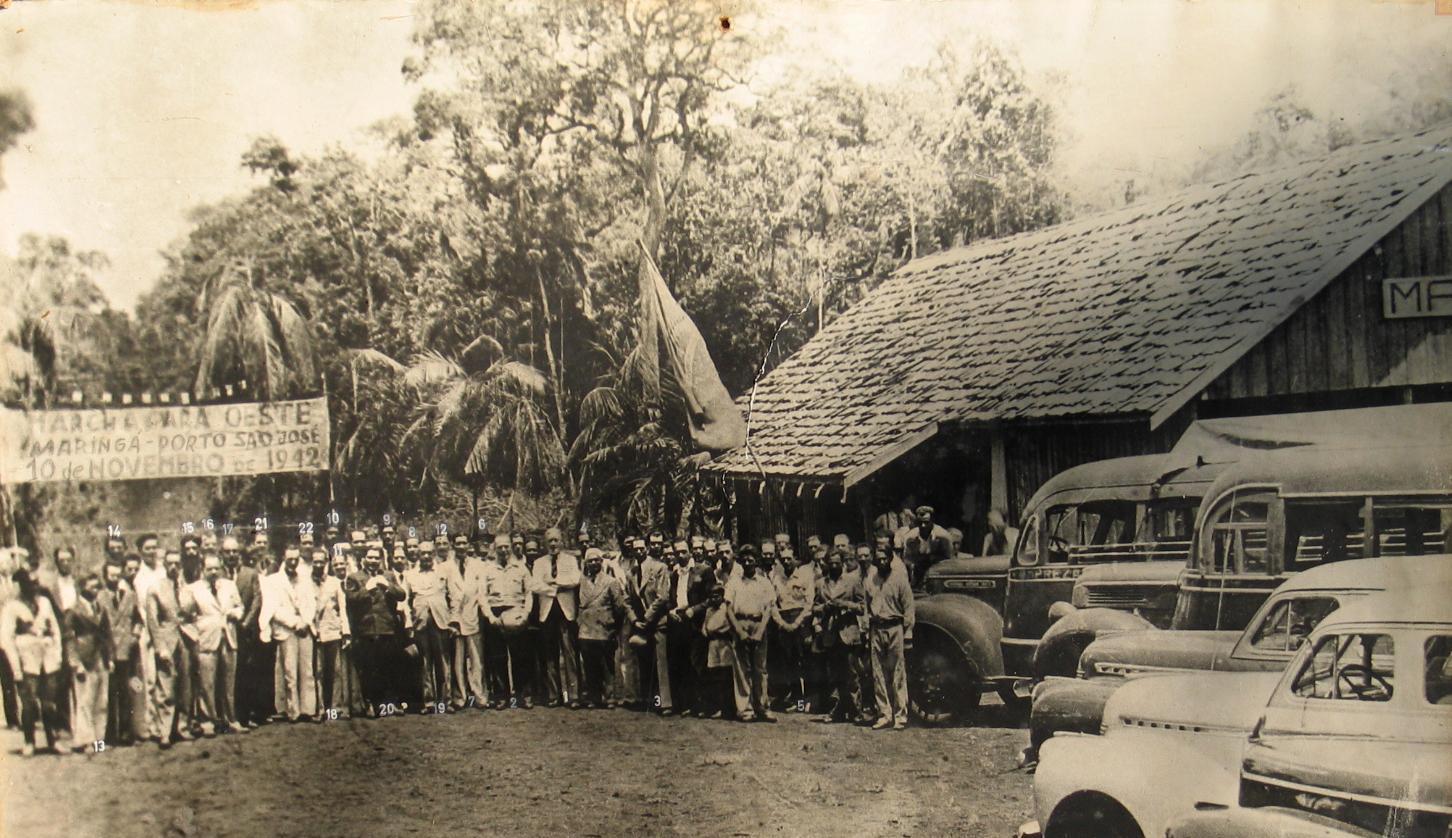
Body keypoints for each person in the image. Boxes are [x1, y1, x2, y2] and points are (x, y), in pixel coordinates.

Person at [0, 570, 64, 755]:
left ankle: (53, 740)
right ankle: (30, 742)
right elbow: (5, 639)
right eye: (29, 583)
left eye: (35, 583)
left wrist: (57, 654)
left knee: (49, 702)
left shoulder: (44, 602)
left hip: (48, 657)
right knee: (29, 703)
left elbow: (55, 629)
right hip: (27, 659)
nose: (34, 587)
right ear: (21, 584)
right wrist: (16, 667)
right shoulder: (12, 607)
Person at [182, 554, 243, 734]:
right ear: (202, 569)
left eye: (216, 568)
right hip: (206, 639)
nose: (214, 572)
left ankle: (231, 719)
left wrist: (235, 613)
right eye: (210, 569)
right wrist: (196, 636)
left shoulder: (229, 585)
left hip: (229, 638)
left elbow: (240, 606)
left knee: (229, 683)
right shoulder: (192, 589)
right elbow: (184, 619)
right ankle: (208, 722)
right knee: (206, 684)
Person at [261, 548, 317, 722]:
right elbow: (274, 609)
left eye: (296, 559)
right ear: (283, 559)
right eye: (289, 559)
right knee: (289, 671)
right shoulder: (272, 581)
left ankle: (308, 709)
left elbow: (311, 604)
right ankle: (293, 711)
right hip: (286, 630)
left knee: (307, 670)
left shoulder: (305, 579)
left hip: (305, 628)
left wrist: (305, 622)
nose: (293, 563)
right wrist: (294, 623)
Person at [348, 547, 406, 714]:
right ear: (364, 558)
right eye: (370, 557)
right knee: (369, 669)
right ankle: (370, 704)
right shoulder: (355, 577)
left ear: (381, 559)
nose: (373, 561)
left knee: (388, 668)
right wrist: (368, 588)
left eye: (376, 558)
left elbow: (402, 595)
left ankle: (390, 704)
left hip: (387, 629)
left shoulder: (388, 575)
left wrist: (386, 585)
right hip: (366, 630)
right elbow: (351, 600)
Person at [864, 544, 915, 730]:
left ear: (890, 559)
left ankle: (900, 716)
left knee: (898, 673)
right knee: (878, 673)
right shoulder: (871, 579)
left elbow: (909, 608)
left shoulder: (900, 579)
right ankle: (884, 714)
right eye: (878, 559)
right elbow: (866, 604)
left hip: (895, 627)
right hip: (876, 628)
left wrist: (908, 633)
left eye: (885, 558)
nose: (882, 562)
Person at [482, 534, 533, 709]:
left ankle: (523, 695)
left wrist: (525, 614)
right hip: (496, 614)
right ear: (494, 549)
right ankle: (501, 696)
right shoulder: (488, 569)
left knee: (521, 657)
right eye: (500, 547)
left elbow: (529, 593)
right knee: (498, 658)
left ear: (510, 547)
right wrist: (490, 617)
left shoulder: (521, 568)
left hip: (516, 612)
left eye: (506, 547)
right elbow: (482, 595)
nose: (503, 550)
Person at [816, 548, 866, 723]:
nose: (834, 566)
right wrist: (824, 608)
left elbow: (862, 607)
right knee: (835, 674)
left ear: (843, 563)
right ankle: (837, 710)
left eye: (838, 563)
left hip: (848, 632)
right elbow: (814, 607)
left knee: (852, 673)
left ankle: (856, 711)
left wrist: (844, 604)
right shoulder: (821, 583)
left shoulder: (853, 581)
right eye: (831, 563)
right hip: (830, 633)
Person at [532, 528, 582, 708]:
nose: (553, 544)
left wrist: (556, 581)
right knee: (550, 656)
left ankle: (574, 696)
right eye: (550, 541)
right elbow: (535, 585)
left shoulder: (570, 560)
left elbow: (575, 579)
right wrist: (554, 589)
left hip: (566, 613)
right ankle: (554, 696)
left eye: (556, 540)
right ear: (545, 544)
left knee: (569, 654)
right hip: (547, 614)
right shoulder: (539, 563)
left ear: (562, 541)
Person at [726, 547, 775, 723]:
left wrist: (761, 630)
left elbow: (769, 608)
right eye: (744, 560)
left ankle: (762, 707)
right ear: (740, 561)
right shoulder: (734, 582)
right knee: (741, 669)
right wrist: (739, 631)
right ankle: (745, 709)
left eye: (751, 560)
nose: (747, 563)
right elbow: (729, 608)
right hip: (740, 623)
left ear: (756, 561)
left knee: (760, 668)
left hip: (758, 624)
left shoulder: (764, 582)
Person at [144, 550, 188, 746]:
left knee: (186, 686)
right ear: (164, 565)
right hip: (166, 640)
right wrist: (160, 646)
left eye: (177, 564)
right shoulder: (155, 588)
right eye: (170, 563)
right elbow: (152, 621)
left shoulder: (186, 586)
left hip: (186, 640)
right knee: (165, 688)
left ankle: (182, 727)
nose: (174, 567)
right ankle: (164, 732)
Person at [98, 559, 143, 746]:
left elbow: (139, 620)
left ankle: (126, 733)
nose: (115, 579)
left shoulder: (130, 595)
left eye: (118, 576)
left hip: (127, 651)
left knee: (127, 693)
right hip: (107, 653)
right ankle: (109, 735)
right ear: (105, 577)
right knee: (109, 695)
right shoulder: (99, 597)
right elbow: (98, 627)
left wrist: (134, 636)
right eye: (111, 576)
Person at [66, 573, 111, 752]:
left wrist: (111, 658)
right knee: (85, 702)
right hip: (85, 660)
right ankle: (84, 741)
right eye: (92, 587)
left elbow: (107, 635)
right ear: (83, 588)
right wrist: (76, 663)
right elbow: (69, 639)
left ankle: (98, 742)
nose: (96, 590)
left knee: (102, 702)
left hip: (101, 658)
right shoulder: (73, 611)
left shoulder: (101, 608)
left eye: (97, 587)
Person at [405, 542, 452, 712]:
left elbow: (451, 595)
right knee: (425, 663)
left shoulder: (444, 571)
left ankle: (446, 700)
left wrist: (452, 620)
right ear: (417, 554)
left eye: (429, 553)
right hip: (421, 623)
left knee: (443, 661)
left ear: (434, 554)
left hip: (440, 621)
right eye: (422, 553)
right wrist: (409, 624)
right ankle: (429, 701)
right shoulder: (410, 575)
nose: (426, 556)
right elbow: (406, 601)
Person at [575, 548, 624, 708]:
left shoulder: (611, 582)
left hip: (605, 629)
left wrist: (613, 626)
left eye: (597, 560)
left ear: (602, 562)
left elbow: (619, 607)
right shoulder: (581, 582)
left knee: (607, 665)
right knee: (590, 665)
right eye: (590, 560)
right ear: (586, 563)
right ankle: (594, 697)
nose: (594, 563)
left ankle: (609, 697)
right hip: (586, 629)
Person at [770, 546, 814, 711]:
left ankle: (808, 702)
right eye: (783, 560)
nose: (786, 562)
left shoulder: (805, 575)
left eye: (789, 559)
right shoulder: (776, 577)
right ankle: (797, 702)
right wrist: (782, 623)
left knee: (806, 662)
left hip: (801, 620)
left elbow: (809, 603)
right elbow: (773, 603)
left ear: (795, 558)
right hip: (784, 621)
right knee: (790, 663)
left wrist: (797, 623)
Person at [448, 534, 488, 710]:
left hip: (472, 619)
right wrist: (452, 619)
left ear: (468, 545)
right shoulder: (446, 567)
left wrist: (488, 616)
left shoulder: (478, 566)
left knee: (476, 661)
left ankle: (480, 696)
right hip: (455, 620)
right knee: (457, 662)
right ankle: (460, 698)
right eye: (458, 543)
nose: (461, 546)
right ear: (453, 545)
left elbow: (481, 594)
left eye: (464, 543)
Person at [312, 549, 350, 720]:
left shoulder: (334, 583)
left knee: (335, 671)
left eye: (322, 562)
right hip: (315, 632)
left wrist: (346, 631)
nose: (319, 565)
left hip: (333, 631)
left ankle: (335, 708)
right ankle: (320, 708)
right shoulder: (306, 583)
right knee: (318, 672)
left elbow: (342, 608)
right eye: (315, 562)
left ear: (326, 563)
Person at [901, 505, 953, 589]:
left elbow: (949, 560)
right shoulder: (910, 537)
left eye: (926, 522)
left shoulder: (943, 536)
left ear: (933, 521)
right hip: (918, 575)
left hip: (938, 574)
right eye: (920, 522)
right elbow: (907, 560)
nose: (923, 526)